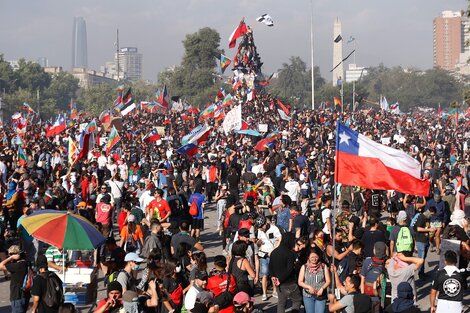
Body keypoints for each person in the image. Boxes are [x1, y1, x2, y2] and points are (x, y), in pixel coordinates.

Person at [269, 232, 302, 313]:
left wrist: (273, 276)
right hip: (289, 282)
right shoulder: (289, 253)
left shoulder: (274, 252)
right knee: (297, 300)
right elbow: (290, 269)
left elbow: (270, 266)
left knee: (281, 304)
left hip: (279, 284)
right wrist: (281, 279)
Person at [297, 247, 330, 313]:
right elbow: (300, 282)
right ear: (308, 257)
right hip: (308, 295)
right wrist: (308, 287)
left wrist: (322, 288)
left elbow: (328, 281)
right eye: (312, 257)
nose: (314, 259)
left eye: (316, 257)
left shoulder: (323, 266)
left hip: (320, 295)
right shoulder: (304, 267)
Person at [0, 245, 28, 313]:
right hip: (26, 295)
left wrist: (10, 258)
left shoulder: (16, 266)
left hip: (17, 296)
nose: (8, 256)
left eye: (10, 254)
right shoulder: (26, 263)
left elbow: (1, 265)